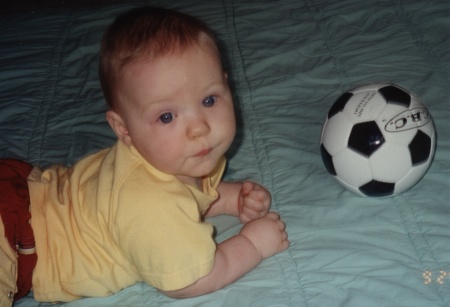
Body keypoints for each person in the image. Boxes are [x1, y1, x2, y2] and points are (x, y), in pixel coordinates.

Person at [0, 6, 289, 305]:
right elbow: (189, 281)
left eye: (209, 99)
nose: (199, 128)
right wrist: (253, 244)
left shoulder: (174, 158)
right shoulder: (149, 203)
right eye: (166, 117)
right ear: (123, 129)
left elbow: (183, 196)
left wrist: (227, 198)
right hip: (16, 239)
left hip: (22, 190)